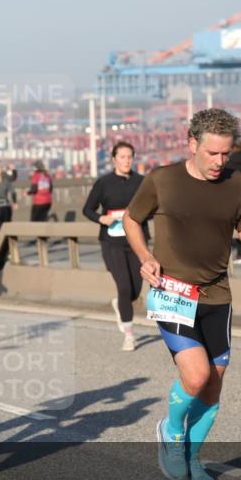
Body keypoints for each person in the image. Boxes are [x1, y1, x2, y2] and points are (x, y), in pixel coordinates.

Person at [123, 108, 241, 480]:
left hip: (218, 294)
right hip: (172, 291)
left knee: (213, 386)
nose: (221, 162)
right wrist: (145, 258)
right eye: (213, 154)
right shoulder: (162, 180)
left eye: (226, 154)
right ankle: (170, 431)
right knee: (196, 374)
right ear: (192, 144)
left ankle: (193, 458)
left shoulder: (237, 183)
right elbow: (131, 219)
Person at [82, 141, 147, 352]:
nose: (126, 161)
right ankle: (129, 335)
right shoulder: (104, 183)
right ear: (114, 159)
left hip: (136, 240)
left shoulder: (142, 182)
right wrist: (102, 219)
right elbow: (88, 209)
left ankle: (120, 303)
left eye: (130, 157)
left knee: (136, 290)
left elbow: (153, 207)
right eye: (122, 157)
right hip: (112, 241)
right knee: (124, 286)